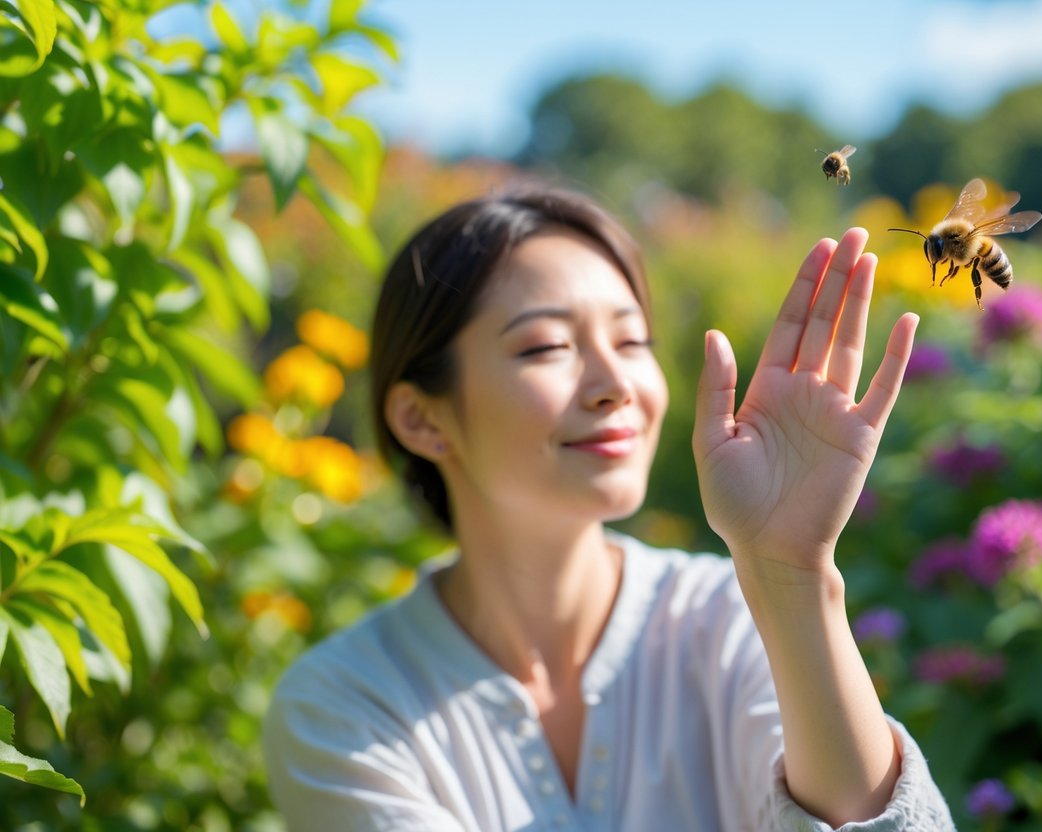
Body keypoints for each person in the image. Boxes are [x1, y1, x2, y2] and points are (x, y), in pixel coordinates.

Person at [262, 186, 955, 831]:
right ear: (421, 418)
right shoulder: (343, 706)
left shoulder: (730, 620)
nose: (615, 383)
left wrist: (792, 573)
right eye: (546, 347)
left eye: (631, 341)